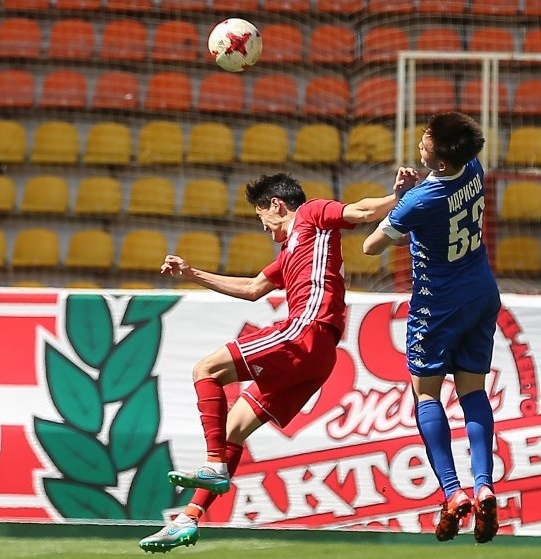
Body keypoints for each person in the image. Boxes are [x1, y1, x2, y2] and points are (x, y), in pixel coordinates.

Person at [139, 172, 411, 553]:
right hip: (318, 356)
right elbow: (252, 289)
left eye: (261, 216)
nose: (264, 228)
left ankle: (214, 465)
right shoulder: (288, 254)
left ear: (276, 205)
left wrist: (395, 198)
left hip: (306, 331)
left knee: (205, 370)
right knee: (233, 428)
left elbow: (361, 211)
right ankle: (189, 519)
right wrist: (192, 273)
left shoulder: (312, 214)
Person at [362, 111, 501, 544]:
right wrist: (418, 188)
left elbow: (371, 246)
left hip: (438, 304)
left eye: (425, 142)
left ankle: (452, 492)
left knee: (426, 394)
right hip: (482, 291)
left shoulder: (421, 200)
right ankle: (484, 485)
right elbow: (444, 189)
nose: (420, 144)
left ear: (440, 160)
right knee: (473, 391)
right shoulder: (472, 168)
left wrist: (401, 198)